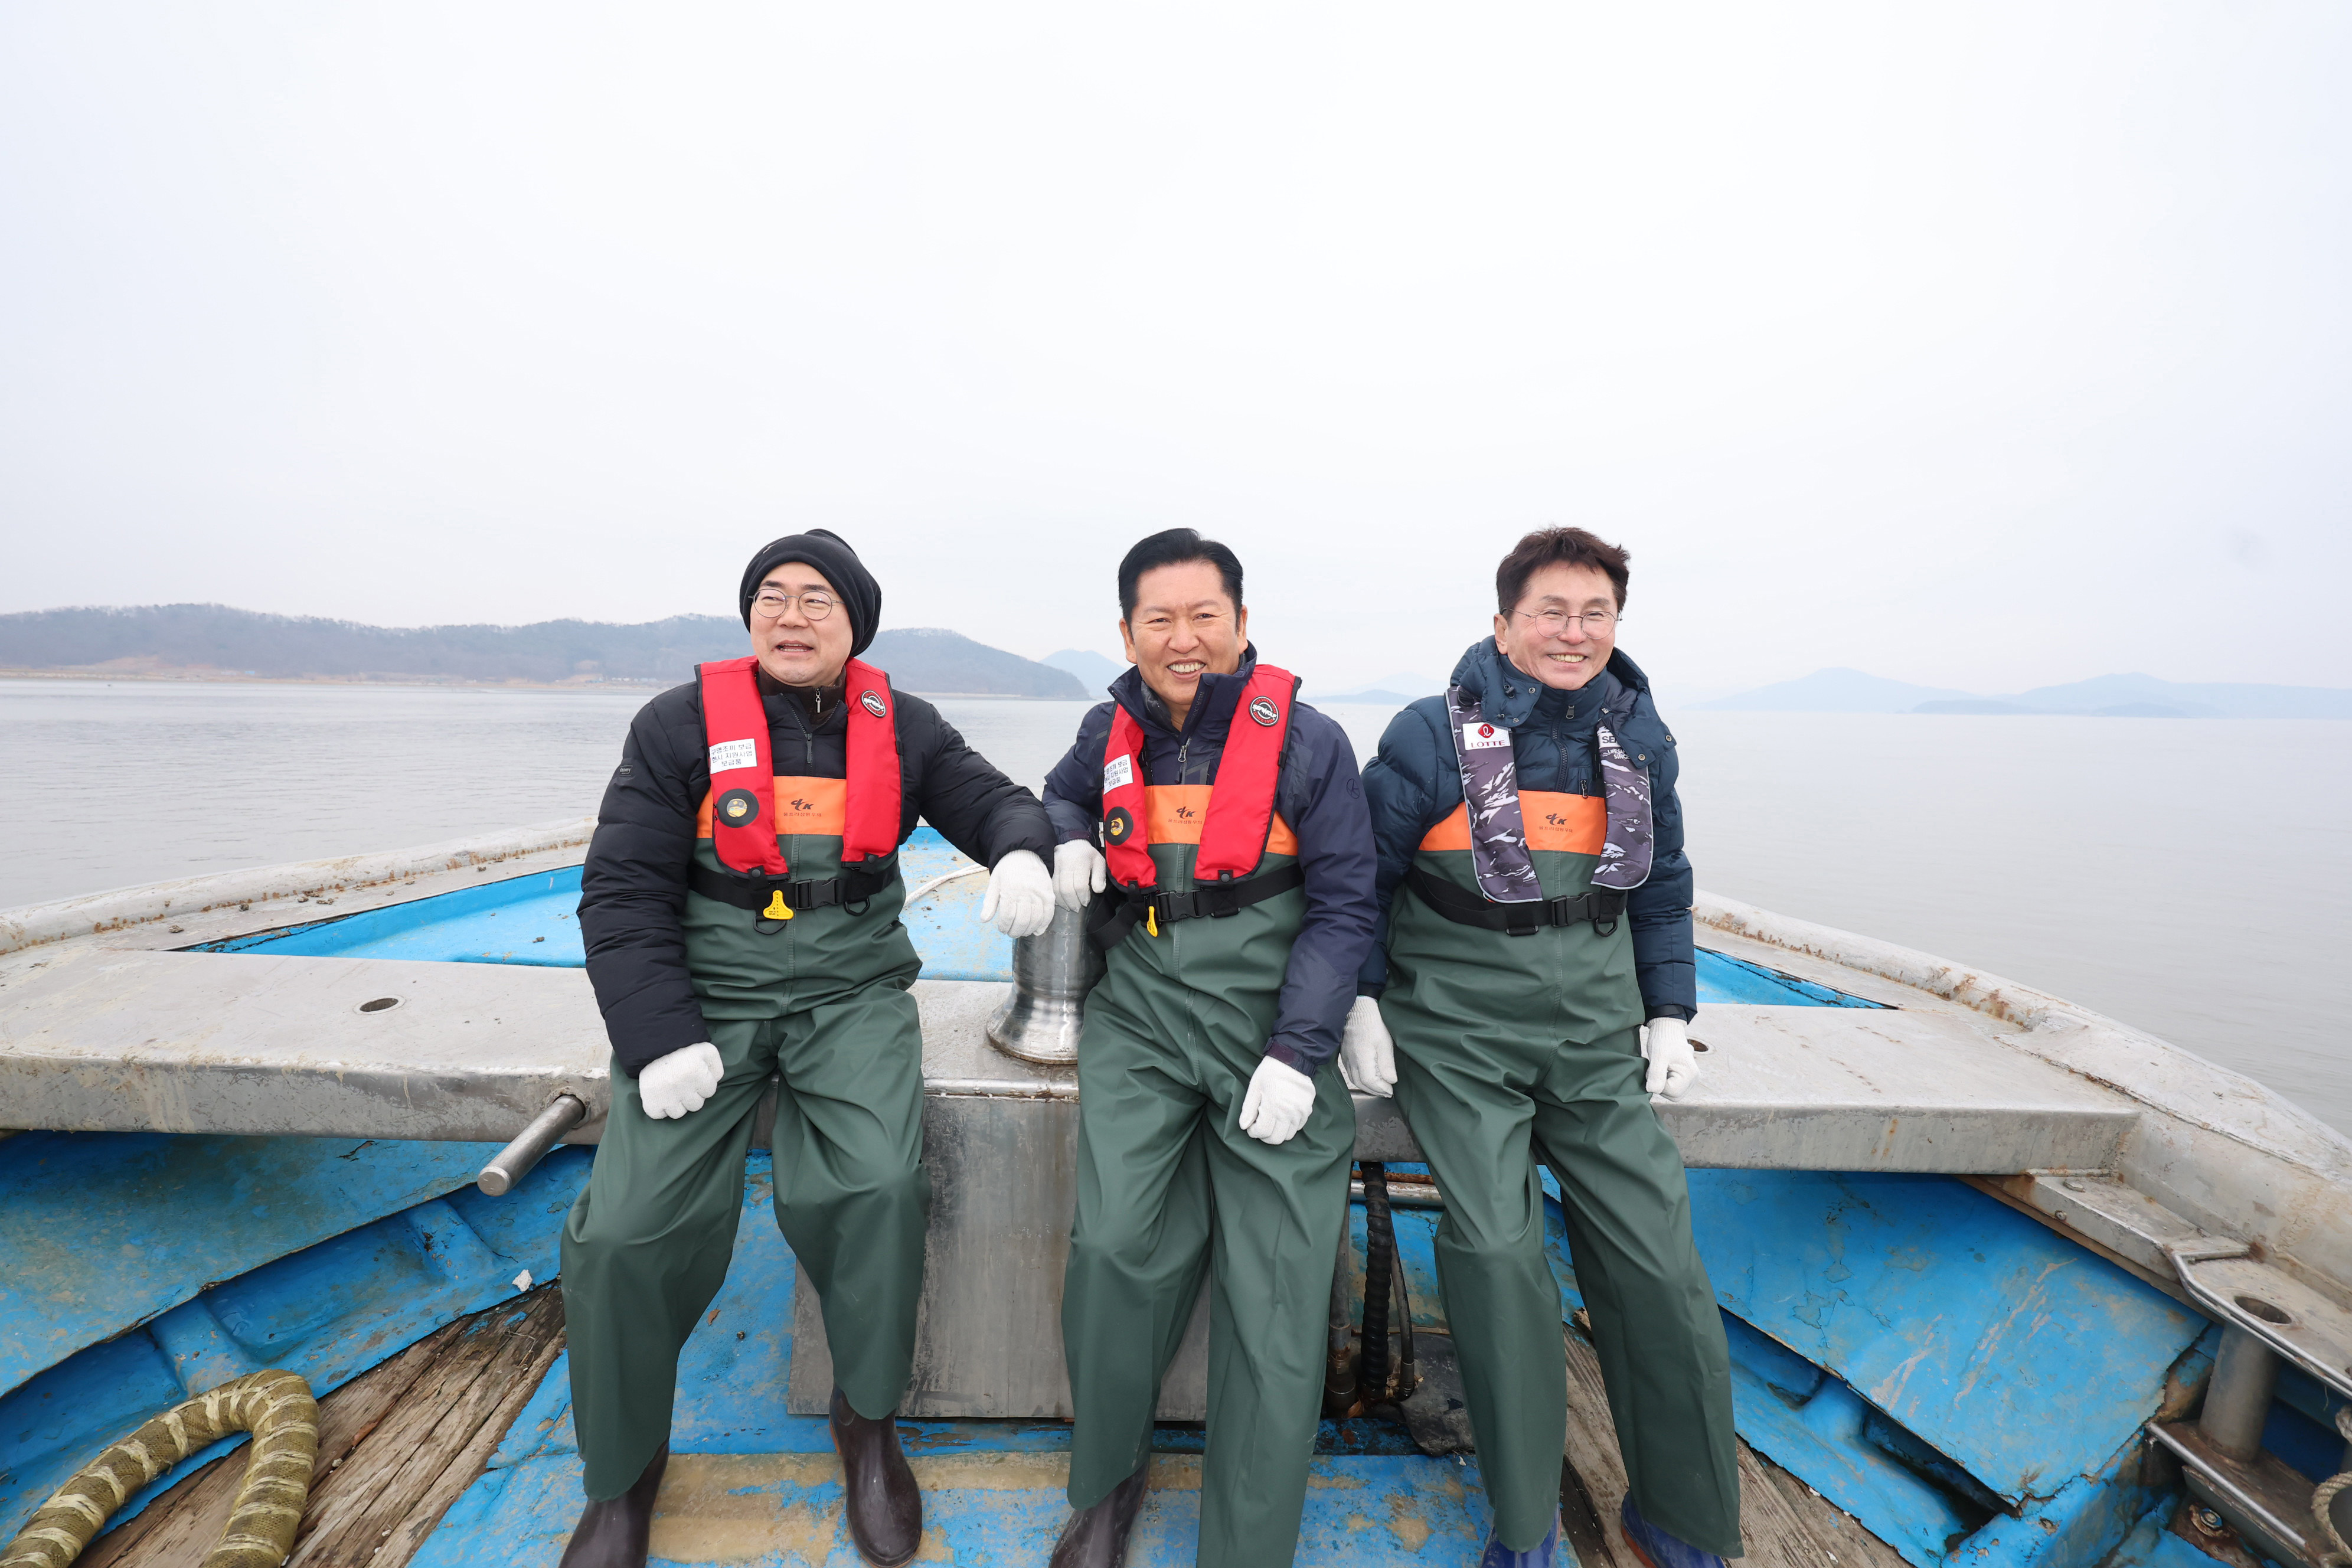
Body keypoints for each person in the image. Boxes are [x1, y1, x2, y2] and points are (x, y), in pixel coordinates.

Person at [560, 530, 1058, 1568]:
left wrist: (1021, 848)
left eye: (818, 600)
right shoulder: (677, 724)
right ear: (749, 616)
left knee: (877, 1187)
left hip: (849, 994)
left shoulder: (905, 727)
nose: (792, 616)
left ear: (854, 625)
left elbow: (995, 800)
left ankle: (866, 1421)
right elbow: (621, 890)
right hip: (703, 998)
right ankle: (623, 1472)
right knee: (623, 1234)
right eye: (773, 597)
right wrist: (658, 1038)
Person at [1344, 527, 1743, 1568]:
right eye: (1551, 612)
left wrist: (1668, 1011)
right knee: (1499, 1254)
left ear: (1616, 623)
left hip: (1596, 1038)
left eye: (1594, 613)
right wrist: (1360, 1000)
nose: (1574, 632)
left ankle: (1681, 1515)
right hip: (1459, 1033)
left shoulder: (1641, 740)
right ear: (1503, 624)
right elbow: (1361, 878)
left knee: (1660, 1260)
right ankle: (1524, 1522)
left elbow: (1663, 886)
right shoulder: (1429, 735)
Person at [1038, 529, 1377, 1568]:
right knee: (1110, 1251)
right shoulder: (1106, 730)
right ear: (1128, 633)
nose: (1182, 639)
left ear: (1240, 622)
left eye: (1204, 617)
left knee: (1276, 1295)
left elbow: (1347, 904)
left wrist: (1301, 1048)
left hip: (1270, 1027)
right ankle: (1107, 1484)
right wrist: (1064, 833)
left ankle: (1246, 1542)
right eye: (1160, 620)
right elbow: (1059, 794)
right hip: (1142, 1022)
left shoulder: (1309, 742)